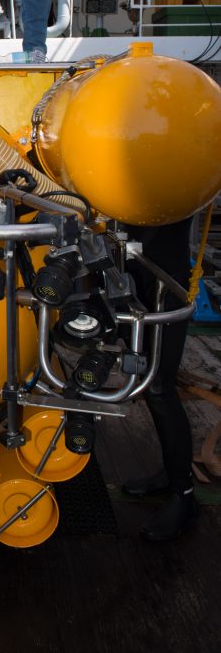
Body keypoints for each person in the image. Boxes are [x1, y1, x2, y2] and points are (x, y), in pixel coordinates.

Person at [122, 217, 199, 541]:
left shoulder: (176, 173)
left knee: (159, 386)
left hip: (165, 279)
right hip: (133, 272)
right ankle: (170, 474)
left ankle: (184, 493)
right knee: (147, 380)